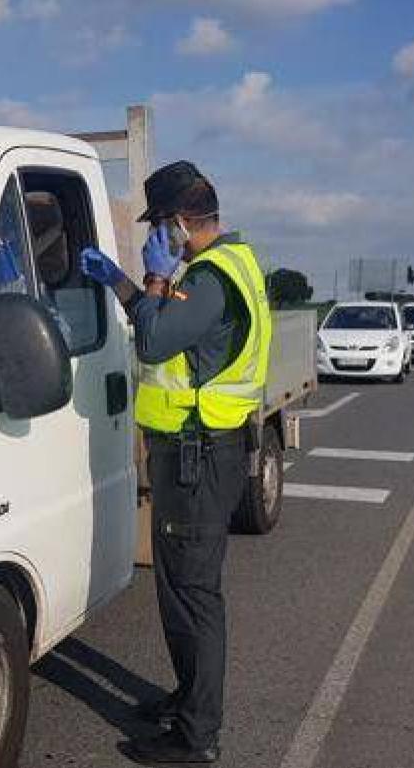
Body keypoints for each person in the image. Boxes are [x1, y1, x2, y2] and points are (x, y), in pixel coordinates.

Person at [80, 161, 273, 765]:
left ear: (179, 224)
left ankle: (197, 736)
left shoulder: (210, 278)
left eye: (158, 226)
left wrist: (155, 279)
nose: (154, 237)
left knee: (193, 594)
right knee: (181, 587)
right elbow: (164, 326)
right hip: (197, 451)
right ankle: (188, 699)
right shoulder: (221, 267)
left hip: (199, 454)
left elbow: (155, 340)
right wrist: (121, 283)